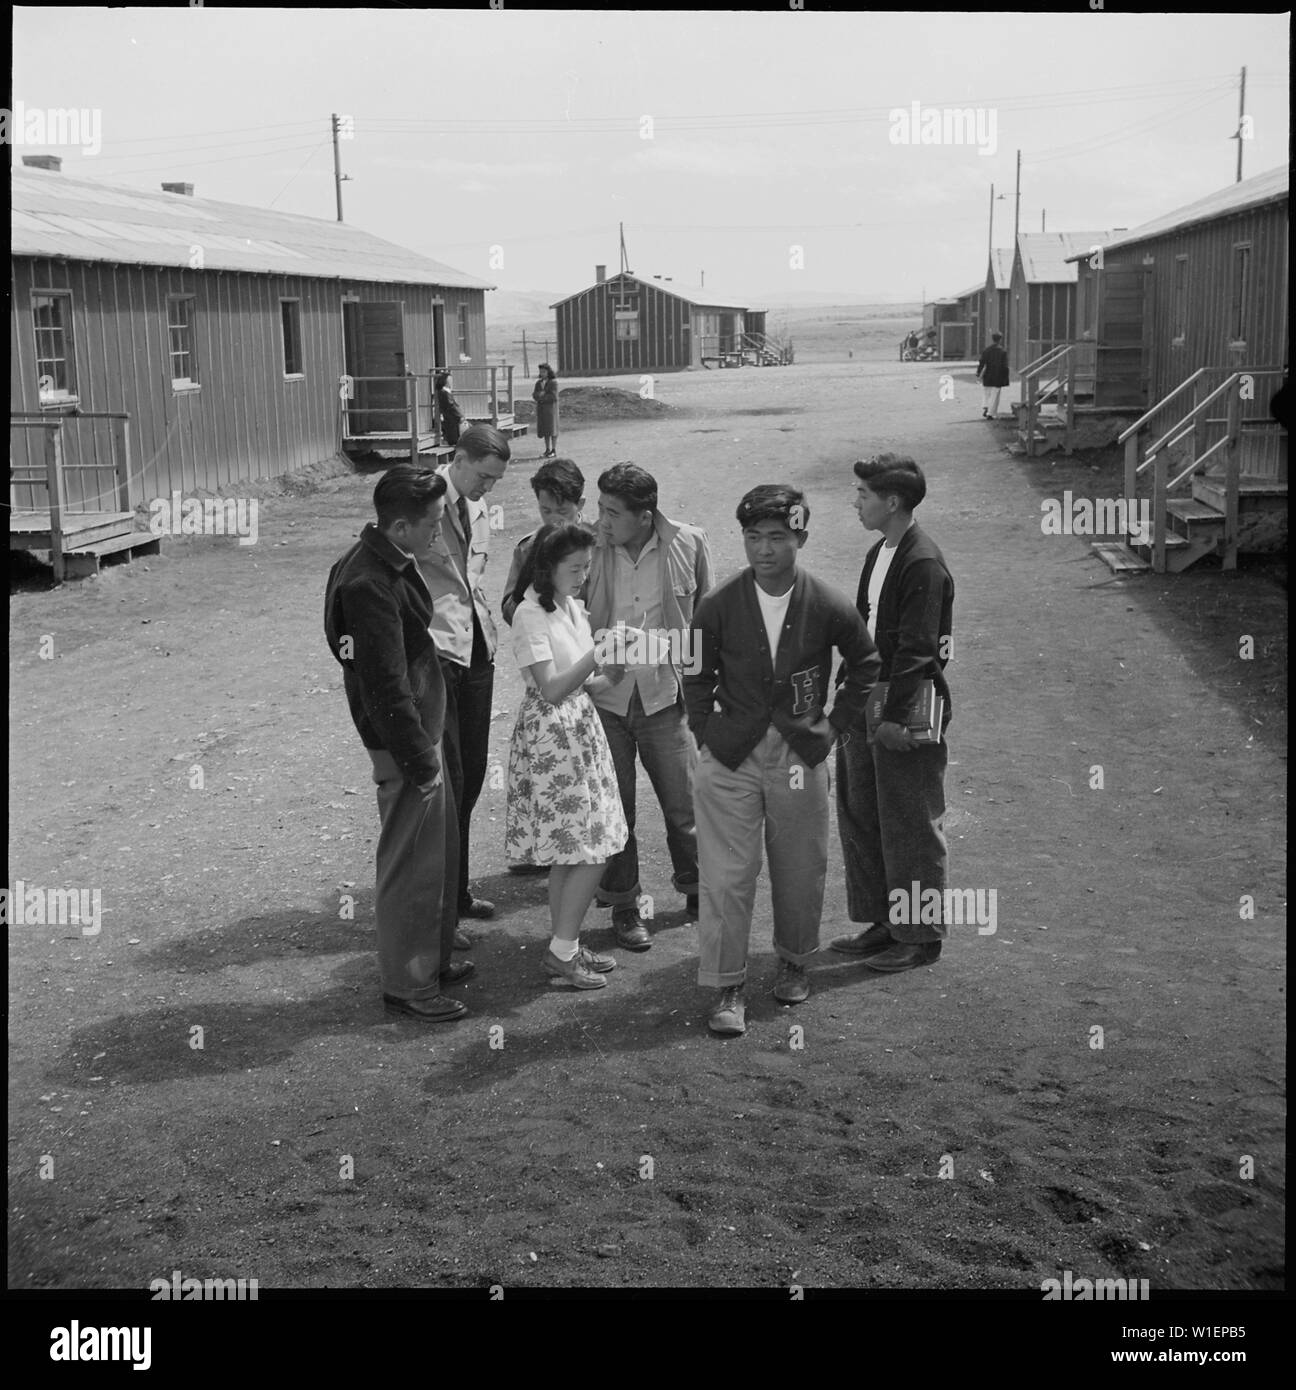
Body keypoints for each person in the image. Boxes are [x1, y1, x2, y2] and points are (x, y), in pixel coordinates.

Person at [685, 485, 879, 1037]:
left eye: (777, 537)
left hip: (800, 753)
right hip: (730, 755)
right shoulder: (718, 604)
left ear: (801, 538)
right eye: (753, 537)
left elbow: (865, 663)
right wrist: (705, 734)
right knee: (725, 873)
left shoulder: (825, 601)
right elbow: (695, 675)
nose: (764, 549)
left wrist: (833, 727)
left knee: (800, 865)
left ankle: (794, 960)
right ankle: (727, 983)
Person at [324, 467, 472, 1022]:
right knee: (411, 868)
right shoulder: (366, 582)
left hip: (420, 733)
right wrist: (417, 759)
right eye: (433, 523)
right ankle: (409, 986)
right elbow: (381, 682)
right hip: (406, 744)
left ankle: (430, 962)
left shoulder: (383, 559)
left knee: (436, 859)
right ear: (402, 526)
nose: (440, 532)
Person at [832, 454, 954, 974]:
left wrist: (895, 717)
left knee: (908, 819)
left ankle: (920, 935)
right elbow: (866, 627)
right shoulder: (879, 551)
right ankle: (885, 920)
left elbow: (920, 649)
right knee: (862, 809)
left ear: (893, 501)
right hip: (867, 698)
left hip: (905, 701)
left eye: (863, 494)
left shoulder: (923, 561)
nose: (856, 502)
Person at [586, 463, 713, 950]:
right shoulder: (589, 546)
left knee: (685, 804)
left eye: (613, 512)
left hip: (665, 696)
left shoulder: (689, 542)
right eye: (599, 508)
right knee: (616, 809)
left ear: (646, 515)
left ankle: (699, 890)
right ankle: (625, 904)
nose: (602, 520)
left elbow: (704, 618)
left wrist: (702, 692)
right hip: (605, 699)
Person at [506, 524, 635, 989]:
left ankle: (565, 945)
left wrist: (612, 671)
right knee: (591, 845)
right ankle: (562, 951)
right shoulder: (528, 614)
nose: (583, 575)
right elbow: (551, 687)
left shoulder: (573, 608)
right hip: (552, 736)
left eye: (587, 566)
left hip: (581, 729)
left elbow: (585, 686)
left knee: (573, 849)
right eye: (574, 568)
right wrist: (597, 656)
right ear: (547, 568)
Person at [418, 423, 511, 941]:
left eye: (495, 481)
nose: (487, 490)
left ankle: (457, 891)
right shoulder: (423, 500)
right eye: (482, 477)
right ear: (458, 458)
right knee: (446, 782)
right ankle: (440, 913)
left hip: (478, 652)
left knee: (471, 775)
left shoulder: (478, 510)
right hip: (437, 654)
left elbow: (472, 583)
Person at [501, 457, 595, 627]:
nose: (553, 520)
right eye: (546, 510)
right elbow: (509, 609)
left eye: (562, 511)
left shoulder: (599, 545)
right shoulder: (528, 548)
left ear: (580, 504)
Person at [976, 331, 1010, 419]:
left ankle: (986, 407)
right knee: (995, 395)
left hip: (988, 375)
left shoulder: (987, 350)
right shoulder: (1003, 351)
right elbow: (1005, 366)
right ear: (1000, 340)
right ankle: (990, 413)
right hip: (998, 376)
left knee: (987, 393)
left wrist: (979, 373)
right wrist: (1005, 378)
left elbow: (982, 362)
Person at [533, 362, 559, 458]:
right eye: (541, 372)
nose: (542, 374)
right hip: (542, 410)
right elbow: (535, 395)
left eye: (544, 372)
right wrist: (540, 395)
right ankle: (547, 449)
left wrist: (542, 396)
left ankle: (553, 449)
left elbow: (554, 396)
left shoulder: (553, 382)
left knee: (552, 430)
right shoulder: (538, 383)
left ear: (548, 372)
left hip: (551, 411)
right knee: (545, 431)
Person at [434, 370, 463, 448]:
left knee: (454, 428)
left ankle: (454, 441)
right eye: (449, 380)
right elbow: (450, 405)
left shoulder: (446, 391)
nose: (451, 382)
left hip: (451, 413)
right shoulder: (444, 392)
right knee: (452, 428)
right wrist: (459, 414)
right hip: (450, 414)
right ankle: (453, 441)